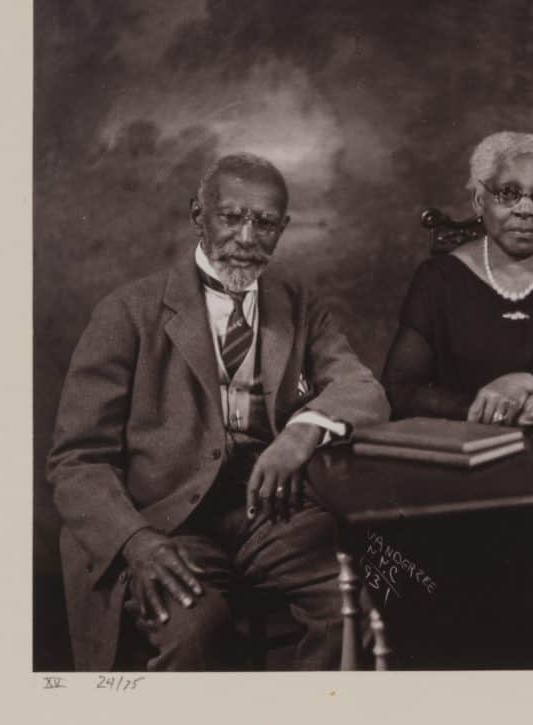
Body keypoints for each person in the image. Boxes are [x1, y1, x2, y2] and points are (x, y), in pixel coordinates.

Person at [47, 153, 390, 671]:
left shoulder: (299, 305)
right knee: (196, 630)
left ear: (283, 228)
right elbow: (76, 462)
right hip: (163, 523)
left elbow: (361, 387)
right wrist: (137, 543)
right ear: (197, 216)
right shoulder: (126, 312)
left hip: (269, 516)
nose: (248, 237)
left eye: (265, 222)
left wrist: (302, 433)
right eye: (231, 217)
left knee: (357, 609)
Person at [382, 131, 533, 426]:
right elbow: (400, 390)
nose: (525, 209)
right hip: (467, 448)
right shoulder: (438, 279)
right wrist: (483, 407)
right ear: (480, 200)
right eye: (508, 193)